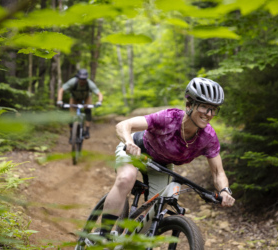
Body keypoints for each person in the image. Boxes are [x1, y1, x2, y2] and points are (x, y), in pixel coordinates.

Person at [99, 77, 235, 238]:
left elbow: (218, 172)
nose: (209, 114)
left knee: (156, 212)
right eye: (204, 107)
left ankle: (130, 241)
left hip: (161, 165)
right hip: (137, 151)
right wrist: (129, 143)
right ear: (189, 105)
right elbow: (123, 125)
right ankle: (102, 236)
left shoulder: (208, 137)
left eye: (213, 109)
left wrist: (225, 191)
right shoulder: (169, 118)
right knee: (126, 178)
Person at [57, 69, 103, 140]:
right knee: (71, 116)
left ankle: (87, 131)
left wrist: (99, 101)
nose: (82, 81)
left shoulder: (89, 83)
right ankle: (72, 134)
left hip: (86, 98)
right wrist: (59, 101)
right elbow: (61, 90)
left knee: (88, 111)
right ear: (77, 78)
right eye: (80, 79)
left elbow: (99, 94)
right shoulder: (72, 82)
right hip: (74, 98)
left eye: (84, 79)